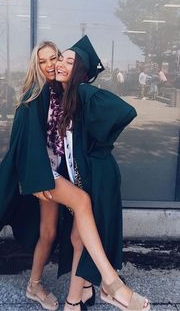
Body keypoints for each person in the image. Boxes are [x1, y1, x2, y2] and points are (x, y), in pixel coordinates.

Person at [0, 37, 150, 311]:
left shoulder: (63, 91)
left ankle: (45, 287)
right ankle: (110, 283)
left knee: (51, 232)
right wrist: (34, 179)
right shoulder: (34, 97)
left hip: (58, 173)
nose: (50, 64)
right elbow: (23, 145)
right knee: (82, 203)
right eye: (42, 61)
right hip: (43, 175)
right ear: (36, 66)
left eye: (54, 58)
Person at [46, 35, 149, 311]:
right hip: (84, 178)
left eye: (70, 61)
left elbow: (124, 111)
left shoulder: (81, 92)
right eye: (60, 59)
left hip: (99, 176)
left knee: (80, 238)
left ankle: (75, 302)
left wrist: (98, 144)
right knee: (76, 238)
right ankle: (87, 290)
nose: (61, 64)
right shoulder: (65, 98)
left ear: (79, 71)